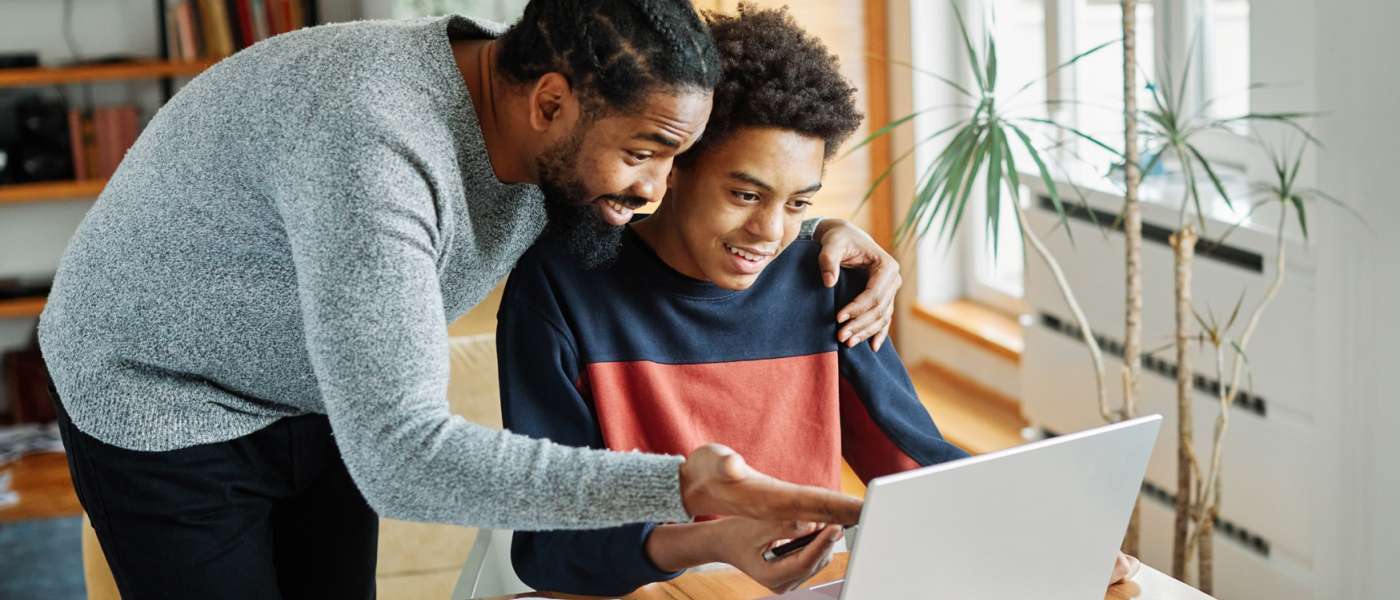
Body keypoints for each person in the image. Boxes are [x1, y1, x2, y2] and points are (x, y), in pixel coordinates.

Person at [36, 2, 898, 598]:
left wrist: (823, 239)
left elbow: (712, 204)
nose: (657, 188)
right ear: (550, 103)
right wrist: (680, 487)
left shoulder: (556, 109)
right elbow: (403, 457)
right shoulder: (377, 148)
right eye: (648, 154)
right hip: (163, 389)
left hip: (321, 388)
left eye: (678, 159)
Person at [496, 5, 1140, 596]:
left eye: (799, 203)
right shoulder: (559, 290)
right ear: (676, 162)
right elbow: (551, 548)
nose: (770, 233)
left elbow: (913, 463)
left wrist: (1042, 531)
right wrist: (711, 541)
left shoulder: (829, 279)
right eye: (745, 195)